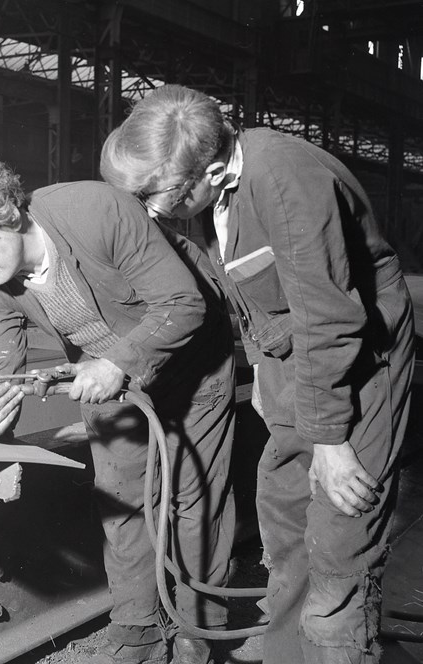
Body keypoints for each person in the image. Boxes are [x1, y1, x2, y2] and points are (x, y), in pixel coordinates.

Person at [100, 84, 415, 664]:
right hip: (296, 357)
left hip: (359, 360)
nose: (149, 210)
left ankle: (336, 647)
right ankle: (289, 653)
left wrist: (330, 439)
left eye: (154, 195)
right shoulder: (215, 193)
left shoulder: (285, 181)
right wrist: (277, 395)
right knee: (284, 511)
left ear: (212, 171)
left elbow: (331, 318)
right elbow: (263, 299)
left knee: (340, 531)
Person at [0, 153, 237, 664]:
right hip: (106, 368)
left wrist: (117, 362)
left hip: (191, 354)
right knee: (123, 498)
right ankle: (138, 630)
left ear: (10, 216)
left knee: (193, 499)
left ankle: (202, 625)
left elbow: (183, 303)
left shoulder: (96, 210)